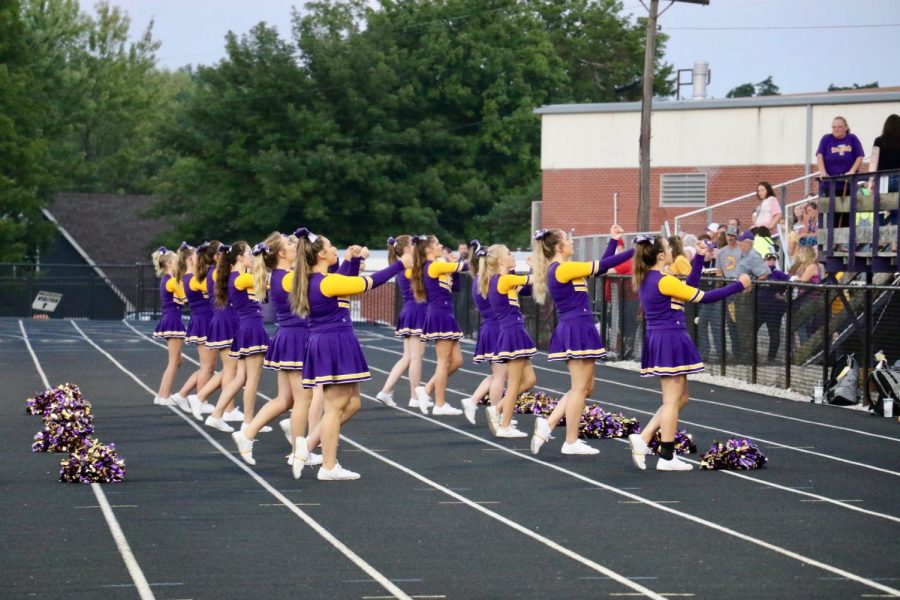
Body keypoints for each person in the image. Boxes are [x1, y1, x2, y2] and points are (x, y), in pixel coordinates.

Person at [291, 227, 413, 480]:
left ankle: (309, 444)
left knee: (354, 402)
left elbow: (343, 282)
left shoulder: (323, 279)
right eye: (332, 246)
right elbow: (366, 283)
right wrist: (401, 264)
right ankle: (328, 466)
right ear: (323, 254)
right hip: (332, 342)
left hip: (334, 340)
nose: (336, 249)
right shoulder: (327, 281)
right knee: (334, 407)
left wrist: (353, 260)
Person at [627, 235, 750, 471]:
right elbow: (703, 297)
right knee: (672, 401)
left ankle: (644, 438)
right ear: (661, 256)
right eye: (668, 248)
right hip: (669, 338)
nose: (673, 251)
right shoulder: (662, 280)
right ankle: (666, 456)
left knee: (681, 398)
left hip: (666, 337)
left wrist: (700, 259)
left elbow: (689, 289)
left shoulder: (653, 279)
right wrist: (739, 285)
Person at [529, 224, 633, 456]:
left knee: (587, 387)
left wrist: (614, 241)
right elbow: (604, 265)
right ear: (558, 246)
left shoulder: (566, 268)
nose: (572, 241)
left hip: (581, 326)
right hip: (575, 327)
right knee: (579, 388)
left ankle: (549, 423)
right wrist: (638, 250)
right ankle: (570, 440)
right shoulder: (561, 269)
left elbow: (598, 269)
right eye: (568, 238)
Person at [230, 232, 308, 468]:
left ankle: (248, 432)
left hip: (288, 336)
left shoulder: (281, 275)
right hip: (295, 338)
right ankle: (298, 451)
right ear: (282, 254)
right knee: (303, 399)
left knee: (285, 399)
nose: (294, 246)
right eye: (289, 244)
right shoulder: (286, 277)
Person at [204, 242, 271, 433]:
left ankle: (217, 414)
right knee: (252, 378)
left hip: (246, 327)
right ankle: (249, 422)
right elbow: (267, 282)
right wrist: (263, 258)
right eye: (249, 253)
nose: (251, 255)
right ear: (239, 257)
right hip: (251, 327)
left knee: (241, 377)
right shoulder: (240, 278)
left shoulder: (240, 277)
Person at [484, 244, 536, 438]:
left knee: (530, 380)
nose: (512, 255)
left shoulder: (505, 281)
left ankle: (497, 408)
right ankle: (504, 425)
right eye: (508, 253)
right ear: (500, 261)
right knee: (514, 383)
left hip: (517, 331)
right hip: (512, 332)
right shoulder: (503, 279)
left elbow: (527, 287)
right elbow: (534, 279)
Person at [412, 235, 467, 416]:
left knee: (457, 361)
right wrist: (472, 256)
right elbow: (464, 266)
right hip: (440, 314)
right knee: (443, 362)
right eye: (436, 243)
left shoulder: (439, 266)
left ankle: (426, 389)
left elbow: (457, 286)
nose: (440, 245)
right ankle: (440, 404)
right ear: (428, 249)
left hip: (447, 313)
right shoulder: (434, 266)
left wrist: (454, 265)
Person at [376, 235, 428, 410]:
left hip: (411, 310)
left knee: (408, 357)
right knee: (416, 358)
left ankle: (386, 391)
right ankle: (414, 396)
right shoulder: (409, 268)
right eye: (414, 245)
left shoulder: (406, 267)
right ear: (407, 250)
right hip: (417, 311)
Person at [460, 240, 503, 427]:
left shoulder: (480, 278)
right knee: (501, 375)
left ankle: (474, 400)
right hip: (495, 327)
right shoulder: (487, 279)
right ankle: (496, 415)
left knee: (498, 374)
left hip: (491, 326)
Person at [170, 242, 215, 413]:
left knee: (208, 366)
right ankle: (200, 400)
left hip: (202, 320)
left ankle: (182, 395)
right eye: (197, 255)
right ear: (190, 259)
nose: (200, 258)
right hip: (203, 321)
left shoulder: (192, 277)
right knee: (207, 366)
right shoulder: (194, 279)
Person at [151, 246, 186, 406]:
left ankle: (162, 394)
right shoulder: (171, 281)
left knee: (177, 360)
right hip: (173, 320)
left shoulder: (168, 279)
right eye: (177, 262)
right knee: (173, 361)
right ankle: (164, 396)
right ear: (170, 263)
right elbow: (185, 297)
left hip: (171, 317)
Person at [816, 116, 864, 197]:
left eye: (839, 127)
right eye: (834, 127)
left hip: (848, 183)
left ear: (846, 128)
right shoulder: (826, 139)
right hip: (829, 184)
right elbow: (819, 156)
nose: (836, 129)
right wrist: (823, 172)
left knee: (847, 208)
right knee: (829, 208)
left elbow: (859, 156)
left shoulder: (852, 138)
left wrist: (852, 171)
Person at [758, 252, 789, 364]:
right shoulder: (759, 274)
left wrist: (783, 296)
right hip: (759, 308)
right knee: (750, 330)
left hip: (774, 309)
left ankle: (771, 358)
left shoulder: (780, 275)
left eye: (773, 260)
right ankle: (751, 355)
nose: (771, 262)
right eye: (769, 260)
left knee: (774, 333)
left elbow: (790, 283)